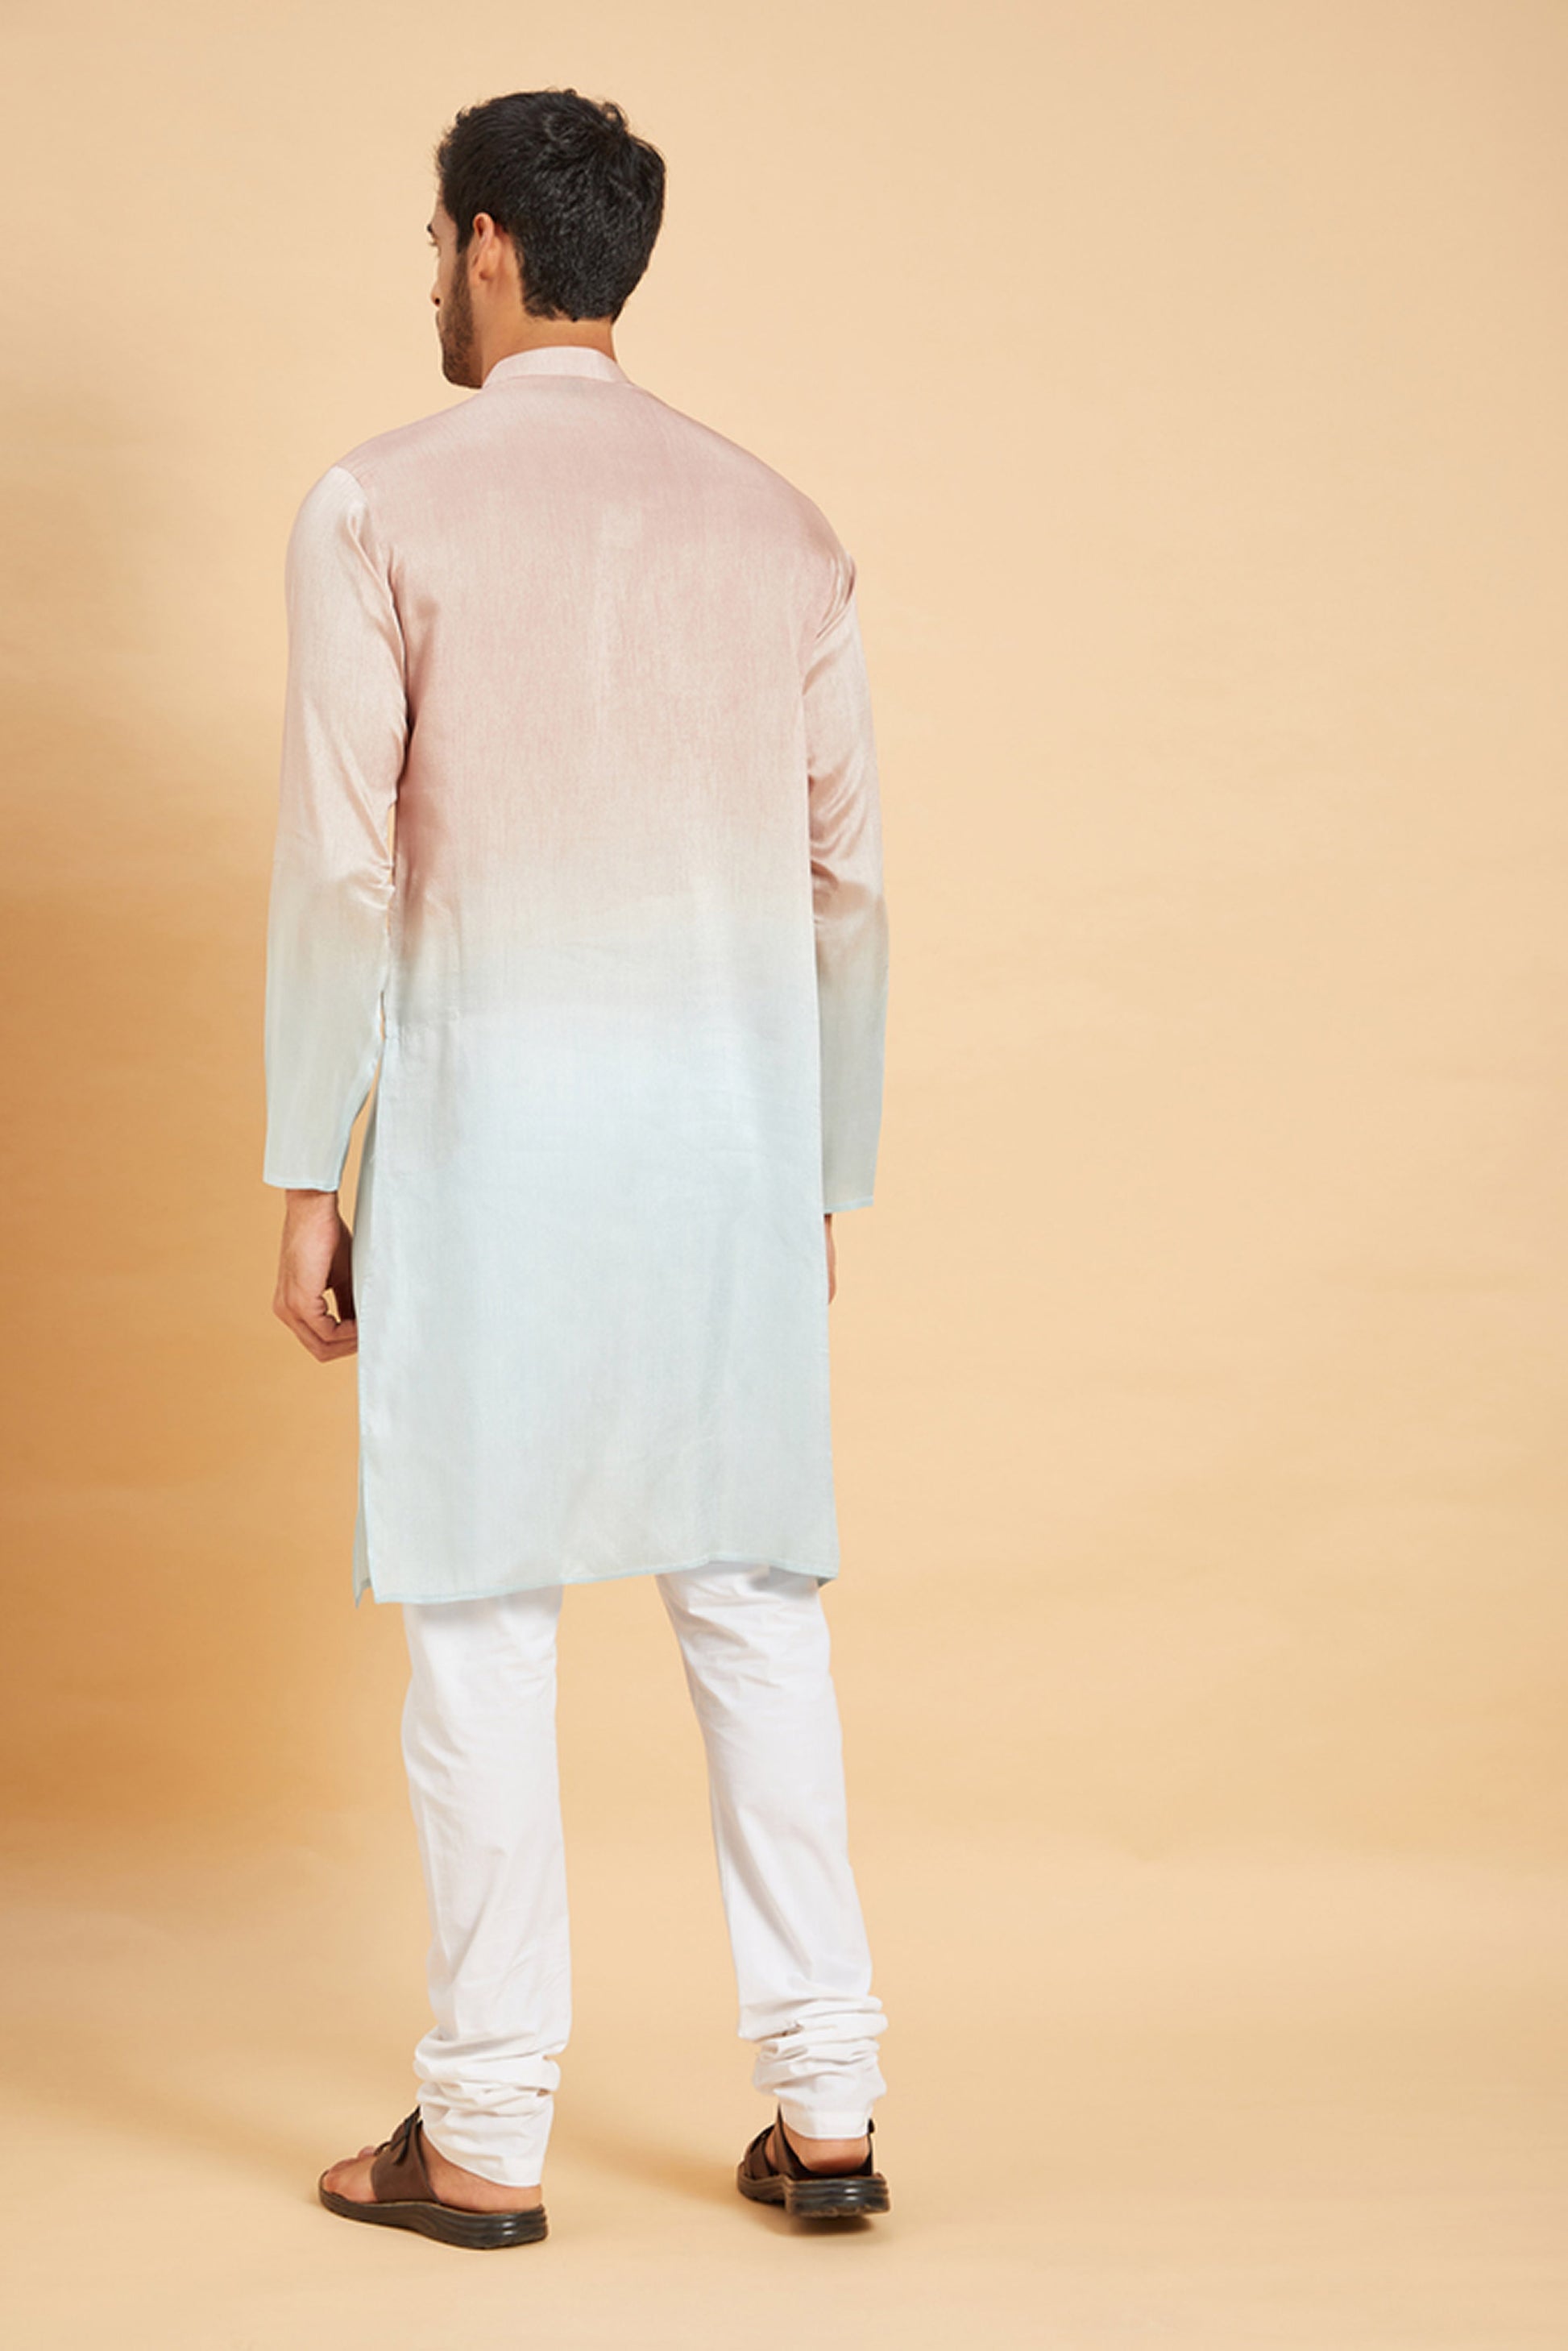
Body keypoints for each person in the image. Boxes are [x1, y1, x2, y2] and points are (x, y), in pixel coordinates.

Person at [263, 87, 891, 2249]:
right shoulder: (784, 529)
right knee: (755, 1611)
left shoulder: (376, 505)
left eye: (434, 244)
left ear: (487, 247)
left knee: (482, 1623)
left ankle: (486, 2130)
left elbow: (346, 876)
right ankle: (830, 2105)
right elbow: (844, 893)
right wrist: (824, 1170)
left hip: (490, 1142)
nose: (429, 282)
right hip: (728, 1151)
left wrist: (307, 1166)